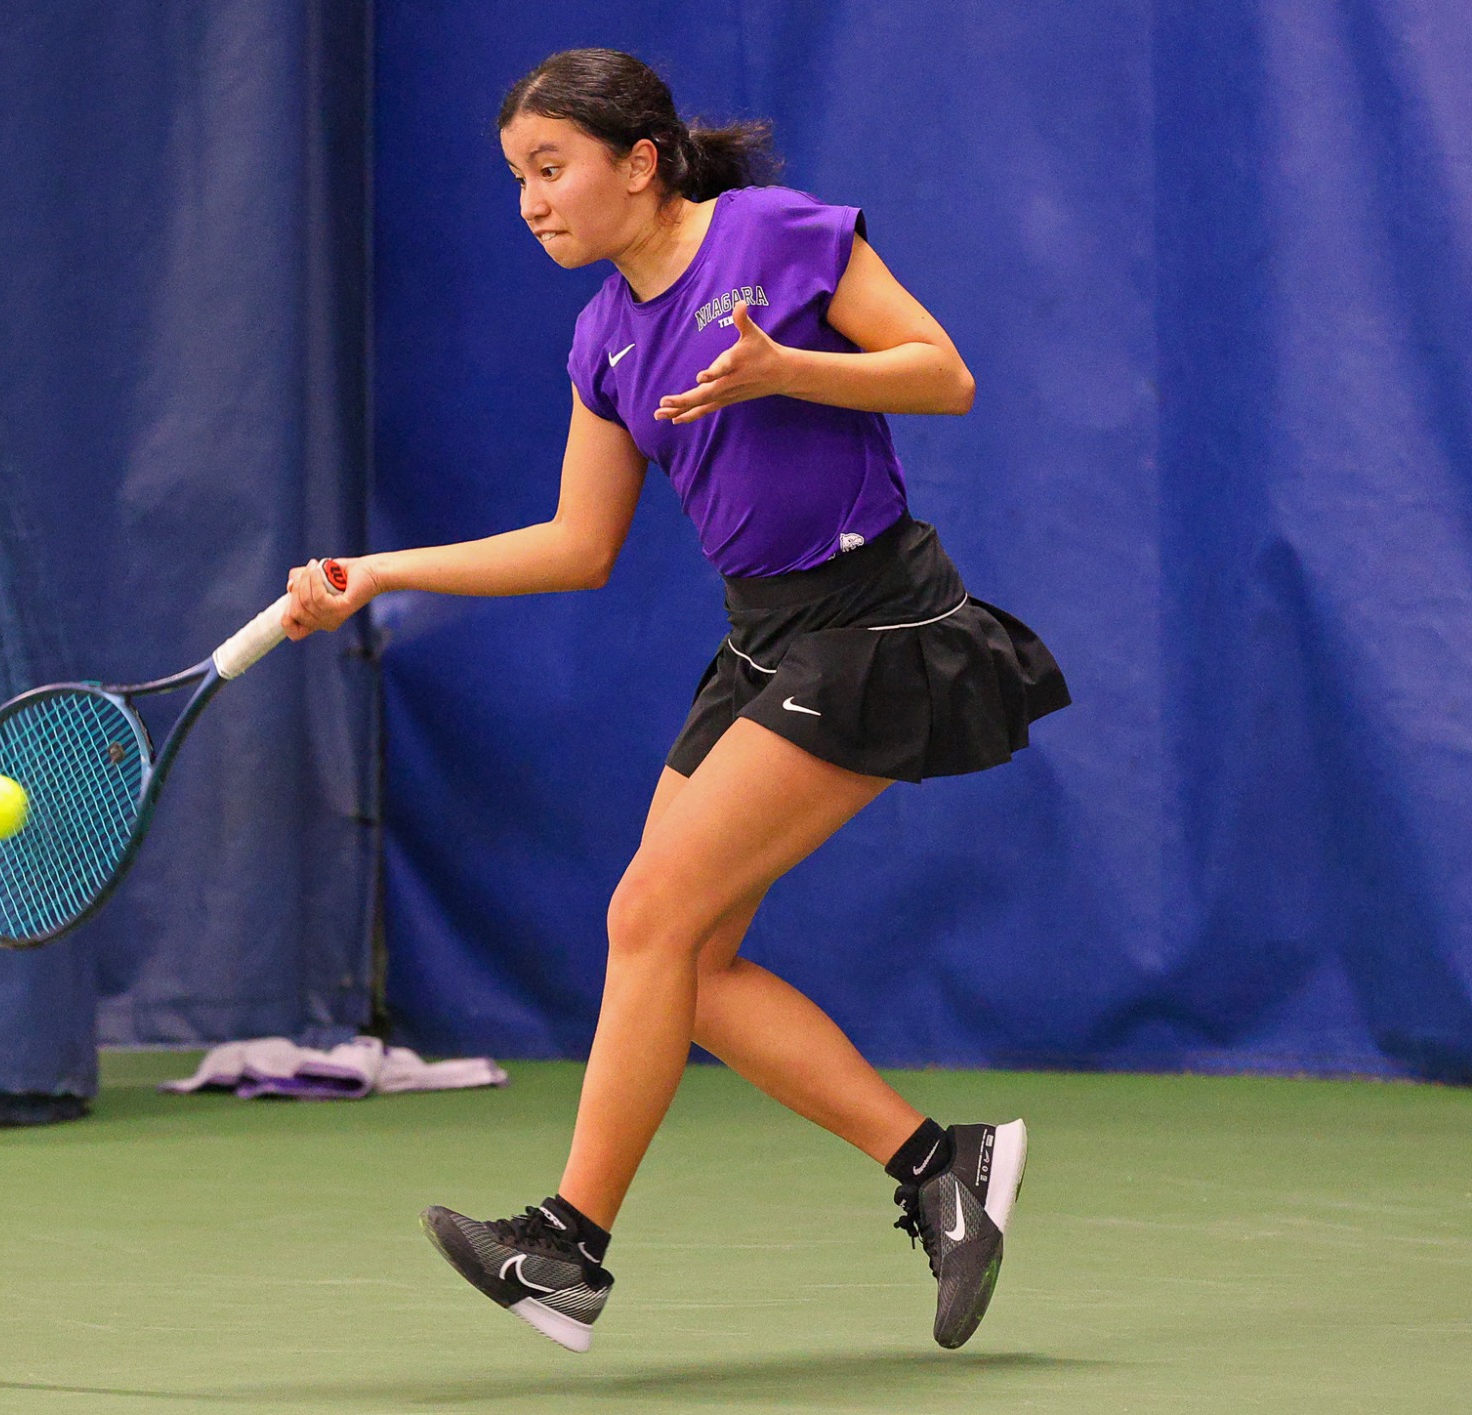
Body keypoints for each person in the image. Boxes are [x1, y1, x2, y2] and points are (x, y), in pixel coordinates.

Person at [283, 48, 1068, 1354]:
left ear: (639, 162)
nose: (532, 201)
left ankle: (569, 1248)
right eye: (517, 180)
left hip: (873, 626)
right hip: (761, 644)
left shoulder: (772, 235)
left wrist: (791, 372)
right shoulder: (605, 335)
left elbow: (944, 372)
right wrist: (378, 571)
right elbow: (577, 545)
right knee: (688, 964)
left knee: (647, 915)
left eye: (552, 168)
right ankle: (942, 1166)